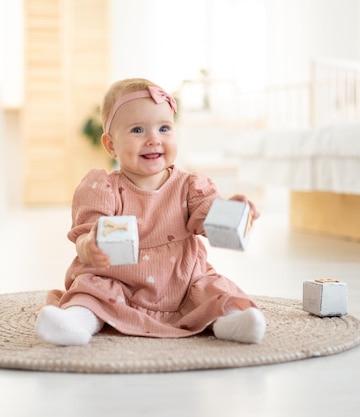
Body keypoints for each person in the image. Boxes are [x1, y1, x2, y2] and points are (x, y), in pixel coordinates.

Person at [35, 78, 266, 346]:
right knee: (91, 291)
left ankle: (233, 321)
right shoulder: (103, 187)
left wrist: (231, 212)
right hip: (119, 280)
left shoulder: (189, 185)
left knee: (213, 288)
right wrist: (90, 246)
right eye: (137, 130)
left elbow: (209, 218)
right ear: (111, 145)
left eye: (164, 128)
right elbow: (87, 233)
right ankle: (76, 322)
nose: (153, 139)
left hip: (181, 280)